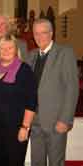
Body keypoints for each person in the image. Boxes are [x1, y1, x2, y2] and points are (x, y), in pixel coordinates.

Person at [26, 18, 79, 166]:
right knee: (37, 162)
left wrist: (65, 119)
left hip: (56, 121)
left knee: (56, 162)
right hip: (34, 120)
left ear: (51, 33)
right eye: (36, 33)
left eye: (43, 33)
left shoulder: (64, 53)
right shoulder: (31, 55)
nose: (39, 37)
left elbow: (72, 88)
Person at [0, 34, 37, 165]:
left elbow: (31, 101)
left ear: (16, 49)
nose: (6, 51)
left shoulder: (24, 70)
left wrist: (25, 127)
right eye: (2, 48)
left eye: (10, 48)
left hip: (15, 128)